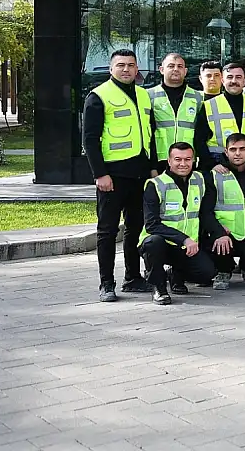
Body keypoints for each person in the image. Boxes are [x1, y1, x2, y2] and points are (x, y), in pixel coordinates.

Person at [83, 49, 154, 301]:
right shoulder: (98, 96)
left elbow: (150, 134)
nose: (126, 69)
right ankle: (106, 284)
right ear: (111, 68)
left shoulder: (144, 95)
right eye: (121, 65)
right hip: (112, 176)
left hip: (140, 174)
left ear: (137, 69)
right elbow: (90, 140)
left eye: (131, 65)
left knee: (136, 228)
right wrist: (100, 174)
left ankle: (133, 278)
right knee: (108, 231)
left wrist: (152, 168)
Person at [139, 143, 218, 306]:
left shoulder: (199, 180)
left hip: (187, 248)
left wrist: (219, 233)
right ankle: (159, 287)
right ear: (169, 161)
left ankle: (175, 275)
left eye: (188, 159)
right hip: (161, 244)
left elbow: (205, 213)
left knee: (207, 273)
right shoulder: (155, 185)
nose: (183, 164)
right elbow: (152, 225)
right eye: (178, 159)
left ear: (194, 160)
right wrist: (183, 239)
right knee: (154, 243)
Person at [207, 132, 245, 289]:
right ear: (226, 151)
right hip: (226, 233)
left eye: (242, 149)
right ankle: (224, 270)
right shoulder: (215, 175)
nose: (237, 153)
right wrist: (218, 232)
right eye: (233, 149)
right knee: (214, 243)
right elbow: (205, 210)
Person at [199, 63, 245, 170]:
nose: (234, 81)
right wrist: (211, 164)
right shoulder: (209, 105)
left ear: (244, 81)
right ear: (222, 81)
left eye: (238, 77)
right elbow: (199, 140)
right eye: (230, 77)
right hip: (218, 165)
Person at [146, 53, 203, 172]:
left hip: (188, 161)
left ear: (185, 71)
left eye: (179, 66)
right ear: (161, 69)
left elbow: (201, 133)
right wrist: (152, 166)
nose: (176, 69)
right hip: (160, 160)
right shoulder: (148, 96)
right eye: (171, 66)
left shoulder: (198, 97)